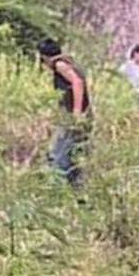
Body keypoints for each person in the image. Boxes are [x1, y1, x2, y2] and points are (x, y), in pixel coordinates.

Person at [38, 38, 91, 186]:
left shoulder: (59, 64)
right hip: (81, 116)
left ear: (43, 57)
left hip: (73, 118)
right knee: (74, 155)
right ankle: (75, 191)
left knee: (59, 155)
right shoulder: (68, 63)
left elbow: (77, 83)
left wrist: (76, 112)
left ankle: (57, 188)